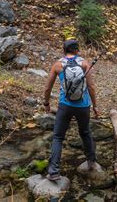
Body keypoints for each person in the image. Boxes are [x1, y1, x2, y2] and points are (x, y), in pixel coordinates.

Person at [43, 39, 99, 181]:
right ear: (76, 50)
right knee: (85, 132)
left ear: (64, 50)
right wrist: (95, 106)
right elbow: (91, 87)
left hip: (65, 105)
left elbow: (47, 88)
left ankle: (54, 171)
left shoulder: (57, 65)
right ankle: (91, 161)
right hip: (83, 106)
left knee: (58, 137)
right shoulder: (85, 64)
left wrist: (46, 103)